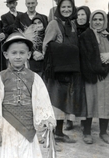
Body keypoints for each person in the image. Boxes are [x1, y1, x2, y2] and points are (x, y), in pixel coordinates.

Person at [0, 32, 56, 158]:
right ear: (6, 55)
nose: (18, 57)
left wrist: (46, 121)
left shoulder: (34, 77)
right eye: (14, 53)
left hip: (28, 127)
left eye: (22, 53)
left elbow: (42, 100)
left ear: (29, 55)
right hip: (6, 126)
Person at [42, 0, 87, 143]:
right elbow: (46, 46)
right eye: (63, 7)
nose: (66, 9)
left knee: (65, 100)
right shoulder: (53, 24)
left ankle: (59, 133)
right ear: (58, 8)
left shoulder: (72, 24)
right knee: (56, 100)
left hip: (70, 69)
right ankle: (54, 133)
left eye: (69, 7)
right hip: (58, 70)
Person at [79, 10, 109, 144]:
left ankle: (103, 132)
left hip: (106, 75)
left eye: (100, 19)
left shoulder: (108, 35)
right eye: (95, 19)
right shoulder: (85, 35)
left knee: (105, 102)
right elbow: (84, 56)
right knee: (89, 103)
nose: (98, 22)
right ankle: (86, 132)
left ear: (105, 21)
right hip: (91, 74)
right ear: (90, 21)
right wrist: (97, 63)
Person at [66, 5, 91, 130]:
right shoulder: (72, 28)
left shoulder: (91, 29)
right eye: (79, 15)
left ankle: (84, 120)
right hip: (73, 65)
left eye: (83, 15)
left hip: (86, 66)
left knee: (84, 94)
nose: (80, 18)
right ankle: (69, 120)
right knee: (72, 93)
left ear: (88, 16)